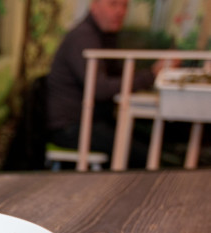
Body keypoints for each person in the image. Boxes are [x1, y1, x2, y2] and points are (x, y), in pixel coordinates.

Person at [46, 0, 168, 168]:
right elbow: (100, 89)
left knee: (155, 143)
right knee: (146, 155)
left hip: (92, 123)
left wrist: (151, 75)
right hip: (72, 128)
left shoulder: (104, 36)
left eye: (125, 5)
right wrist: (152, 75)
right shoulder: (83, 37)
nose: (120, 11)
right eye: (113, 4)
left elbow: (117, 78)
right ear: (94, 6)